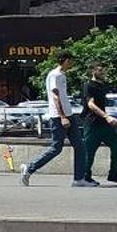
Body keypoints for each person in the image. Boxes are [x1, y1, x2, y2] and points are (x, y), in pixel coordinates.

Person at [20, 49, 74, 186]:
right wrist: (62, 117)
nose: (72, 63)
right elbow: (55, 97)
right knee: (56, 147)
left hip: (68, 115)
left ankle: (81, 178)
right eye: (71, 60)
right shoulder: (55, 75)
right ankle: (30, 168)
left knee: (80, 145)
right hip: (59, 116)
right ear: (66, 60)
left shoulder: (62, 75)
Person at [75, 63, 117, 186]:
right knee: (89, 150)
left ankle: (114, 174)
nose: (102, 73)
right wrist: (107, 116)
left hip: (103, 124)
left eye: (104, 71)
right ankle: (85, 177)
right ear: (93, 71)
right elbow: (91, 104)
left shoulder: (102, 86)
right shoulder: (88, 85)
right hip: (92, 123)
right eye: (100, 70)